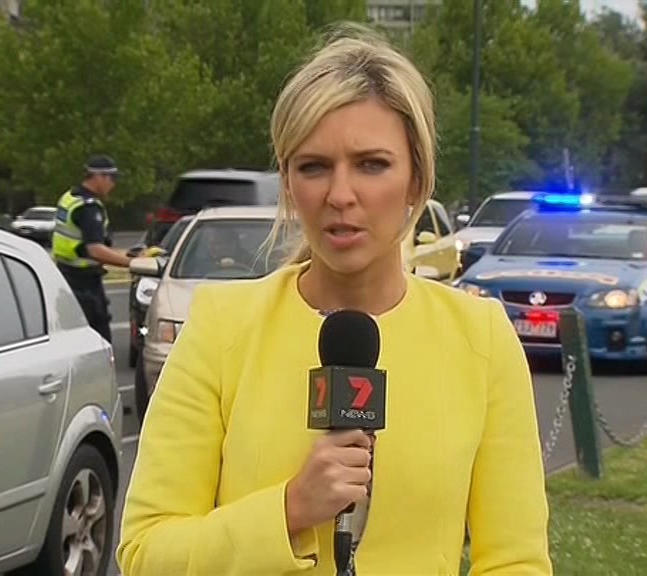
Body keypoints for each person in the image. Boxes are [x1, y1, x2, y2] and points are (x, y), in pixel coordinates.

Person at [117, 23, 551, 576]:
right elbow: (144, 553)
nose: (340, 195)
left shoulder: (480, 338)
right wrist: (289, 509)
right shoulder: (222, 328)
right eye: (314, 167)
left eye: (372, 164)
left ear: (417, 179)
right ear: (288, 182)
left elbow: (516, 561)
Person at [51, 154, 132, 343]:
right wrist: (132, 263)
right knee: (98, 340)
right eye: (112, 178)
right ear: (98, 177)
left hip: (65, 275)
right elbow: (95, 250)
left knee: (70, 337)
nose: (113, 184)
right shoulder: (88, 208)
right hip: (84, 284)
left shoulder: (70, 197)